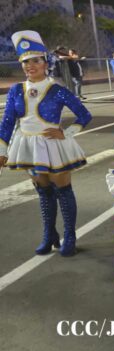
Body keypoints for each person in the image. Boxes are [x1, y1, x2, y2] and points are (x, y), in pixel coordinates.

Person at [1, 30, 92, 256]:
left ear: (45, 63)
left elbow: (84, 114)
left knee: (63, 190)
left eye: (35, 61)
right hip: (27, 147)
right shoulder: (15, 91)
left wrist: (68, 132)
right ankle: (49, 235)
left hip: (53, 146)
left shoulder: (57, 90)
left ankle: (69, 235)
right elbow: (7, 122)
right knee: (43, 192)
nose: (30, 66)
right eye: (25, 62)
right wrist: (2, 150)